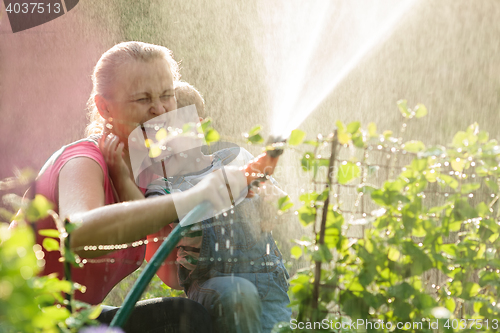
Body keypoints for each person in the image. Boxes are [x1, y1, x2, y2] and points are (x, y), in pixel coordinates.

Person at [27, 41, 247, 333]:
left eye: (166, 96)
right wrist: (194, 198)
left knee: (186, 315)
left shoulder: (149, 174)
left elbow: (171, 272)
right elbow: (78, 233)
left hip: (71, 319)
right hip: (18, 314)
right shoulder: (83, 160)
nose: (159, 110)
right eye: (143, 99)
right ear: (105, 107)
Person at [124, 82, 292, 333]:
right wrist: (121, 174)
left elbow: (278, 209)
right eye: (153, 136)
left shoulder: (237, 159)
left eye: (169, 132)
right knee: (238, 296)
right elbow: (142, 216)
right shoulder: (164, 187)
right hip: (211, 282)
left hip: (268, 280)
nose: (160, 145)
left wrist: (273, 205)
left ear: (198, 128)